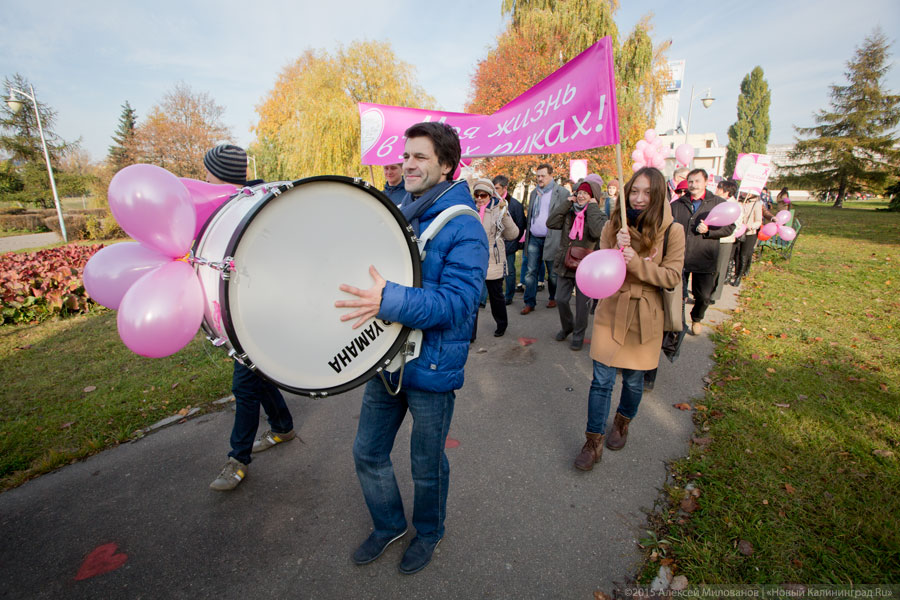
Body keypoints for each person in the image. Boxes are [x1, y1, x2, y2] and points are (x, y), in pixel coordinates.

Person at [335, 122, 488, 575]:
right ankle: (388, 525)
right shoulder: (401, 210)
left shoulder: (465, 227)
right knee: (367, 451)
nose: (408, 163)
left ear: (446, 164)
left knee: (426, 465)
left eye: (420, 156)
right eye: (406, 155)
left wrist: (390, 300)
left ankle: (429, 531)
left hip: (433, 367)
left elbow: (460, 303)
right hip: (387, 360)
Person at [574, 167, 685, 471]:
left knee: (634, 381)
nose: (638, 198)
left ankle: (622, 423)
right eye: (634, 191)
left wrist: (636, 262)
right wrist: (614, 245)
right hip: (612, 308)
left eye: (647, 192)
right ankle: (592, 442)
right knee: (601, 380)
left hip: (645, 313)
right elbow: (602, 262)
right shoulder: (614, 224)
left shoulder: (672, 230)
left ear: (659, 195)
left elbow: (672, 275)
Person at [203, 144, 297, 492]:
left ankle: (238, 459)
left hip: (262, 310)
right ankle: (283, 426)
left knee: (244, 385)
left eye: (209, 172)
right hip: (241, 309)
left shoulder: (254, 205)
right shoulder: (232, 205)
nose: (204, 178)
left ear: (220, 175)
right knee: (258, 374)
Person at [670, 168, 735, 336]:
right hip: (681, 257)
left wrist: (709, 232)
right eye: (690, 181)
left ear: (706, 182)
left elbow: (729, 227)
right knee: (677, 295)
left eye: (697, 181)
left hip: (705, 257)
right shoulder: (677, 205)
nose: (693, 185)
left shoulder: (718, 203)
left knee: (704, 296)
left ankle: (697, 318)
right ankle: (678, 322)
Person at [547, 174, 607, 350]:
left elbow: (598, 233)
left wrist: (593, 208)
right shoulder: (569, 212)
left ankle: (579, 334)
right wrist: (567, 203)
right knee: (561, 299)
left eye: (585, 193)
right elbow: (550, 222)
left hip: (586, 267)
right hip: (566, 263)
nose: (581, 196)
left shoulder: (598, 215)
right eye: (579, 192)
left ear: (593, 197)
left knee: (582, 306)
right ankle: (568, 327)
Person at [471, 178, 519, 337]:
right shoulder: (470, 209)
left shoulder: (498, 209)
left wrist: (504, 214)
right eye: (476, 194)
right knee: (473, 298)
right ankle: (470, 332)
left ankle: (502, 324)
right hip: (474, 259)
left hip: (493, 259)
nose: (479, 198)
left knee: (496, 295)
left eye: (483, 195)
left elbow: (513, 234)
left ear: (490, 195)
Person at [521, 163, 568, 314]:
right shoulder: (535, 192)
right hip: (535, 237)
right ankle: (529, 302)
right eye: (538, 176)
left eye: (543, 176)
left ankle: (553, 297)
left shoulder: (561, 193)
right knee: (530, 271)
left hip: (552, 238)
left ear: (551, 176)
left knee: (553, 273)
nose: (539, 179)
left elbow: (566, 217)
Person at [493, 175, 526, 306]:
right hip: (495, 244)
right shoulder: (492, 202)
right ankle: (492, 296)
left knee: (509, 271)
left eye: (497, 188)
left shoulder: (515, 205)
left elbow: (520, 225)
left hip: (509, 245)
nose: (494, 191)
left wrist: (513, 243)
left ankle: (509, 296)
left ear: (505, 188)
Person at [710, 179, 741, 302]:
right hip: (712, 238)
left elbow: (735, 226)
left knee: (720, 268)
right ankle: (707, 291)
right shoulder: (716, 202)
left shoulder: (735, 206)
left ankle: (714, 294)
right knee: (711, 268)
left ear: (726, 192)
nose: (716, 190)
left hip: (725, 241)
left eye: (719, 188)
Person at [731, 192, 763, 286]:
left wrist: (750, 226)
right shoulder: (739, 202)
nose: (745, 194)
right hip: (738, 232)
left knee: (743, 254)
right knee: (736, 253)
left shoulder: (756, 204)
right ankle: (736, 272)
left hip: (749, 233)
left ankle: (739, 276)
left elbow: (758, 221)